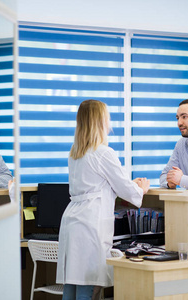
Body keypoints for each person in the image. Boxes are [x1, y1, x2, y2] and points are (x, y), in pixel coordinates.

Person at [56, 99, 150, 300]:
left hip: (73, 221)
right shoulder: (103, 152)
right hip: (90, 224)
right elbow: (125, 188)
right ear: (99, 121)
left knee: (71, 286)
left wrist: (123, 185)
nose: (110, 123)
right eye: (107, 118)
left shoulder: (75, 153)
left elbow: (98, 184)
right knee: (88, 286)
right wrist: (140, 188)